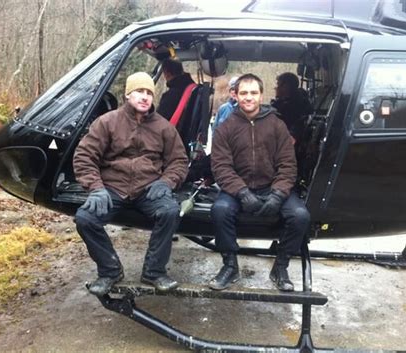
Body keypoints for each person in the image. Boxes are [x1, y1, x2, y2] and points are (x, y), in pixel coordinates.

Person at [73, 72, 189, 296]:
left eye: (148, 93)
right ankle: (110, 271)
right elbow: (85, 156)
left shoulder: (164, 127)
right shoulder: (107, 122)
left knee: (170, 211)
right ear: (128, 94)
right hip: (112, 188)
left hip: (149, 188)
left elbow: (179, 161)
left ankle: (154, 272)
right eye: (139, 91)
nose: (144, 97)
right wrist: (95, 188)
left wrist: (166, 182)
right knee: (85, 218)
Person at [209, 73, 310, 292]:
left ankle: (281, 266)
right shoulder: (225, 127)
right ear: (235, 95)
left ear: (262, 95)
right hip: (238, 189)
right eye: (243, 93)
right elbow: (221, 167)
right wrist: (242, 193)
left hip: (272, 187)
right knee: (220, 211)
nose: (248, 98)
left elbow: (288, 164)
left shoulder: (277, 125)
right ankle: (229, 265)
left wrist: (278, 194)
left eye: (253, 93)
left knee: (300, 216)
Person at [271, 72, 313, 145]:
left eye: (279, 85)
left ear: (286, 86)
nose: (276, 88)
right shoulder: (290, 101)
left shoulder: (294, 105)